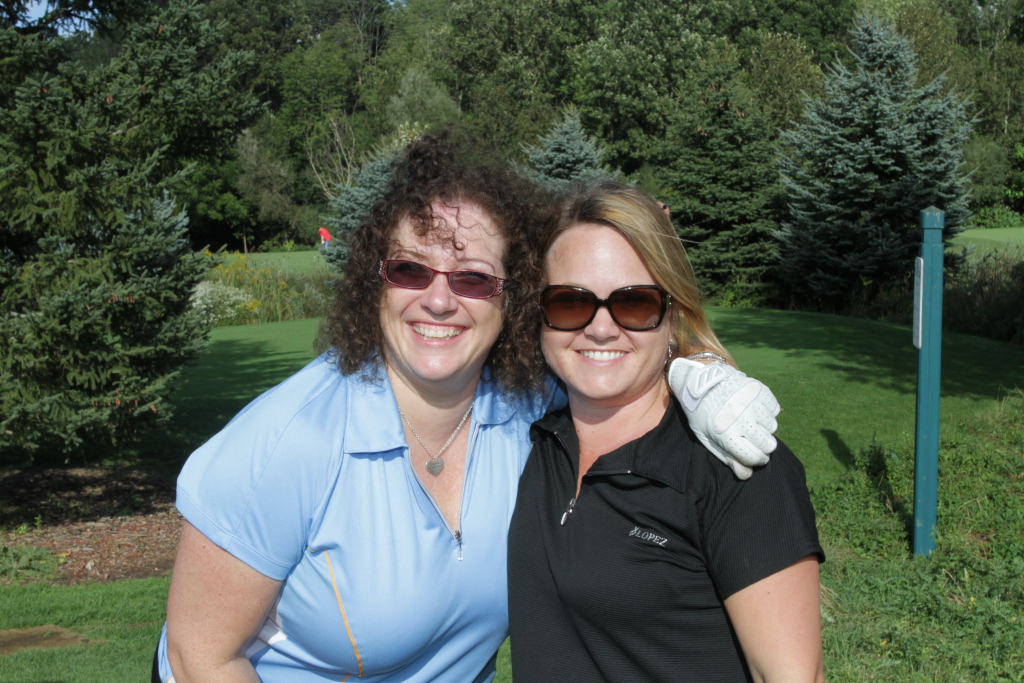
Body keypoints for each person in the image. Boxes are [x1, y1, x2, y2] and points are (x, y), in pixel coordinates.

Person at [154, 135, 783, 683]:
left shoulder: (529, 405)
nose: (438, 300)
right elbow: (197, 655)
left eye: (473, 278)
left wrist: (703, 374)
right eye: (410, 270)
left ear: (513, 298)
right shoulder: (289, 442)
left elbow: (616, 341)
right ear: (376, 282)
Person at [508, 180, 825, 683]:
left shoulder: (734, 467)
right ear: (539, 314)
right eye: (570, 302)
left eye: (635, 303)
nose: (601, 328)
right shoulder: (531, 438)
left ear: (671, 314)